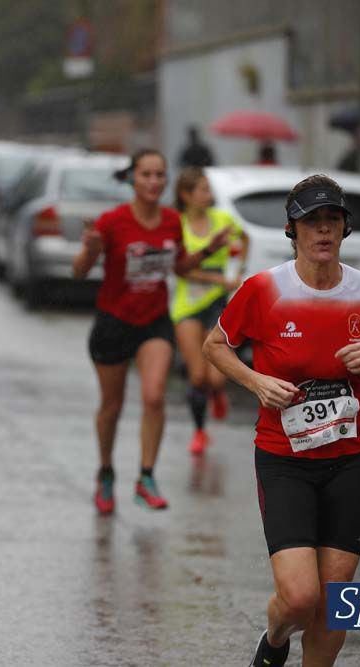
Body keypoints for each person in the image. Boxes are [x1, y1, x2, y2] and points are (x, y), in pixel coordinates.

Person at [202, 174, 360, 666]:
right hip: (284, 459)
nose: (323, 231)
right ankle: (275, 636)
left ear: (344, 229)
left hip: (351, 459)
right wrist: (256, 381)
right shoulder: (265, 289)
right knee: (300, 599)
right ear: (292, 230)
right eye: (311, 222)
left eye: (332, 220)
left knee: (334, 606)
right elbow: (216, 347)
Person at [72, 149, 232, 515]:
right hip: (114, 322)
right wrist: (90, 250)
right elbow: (80, 272)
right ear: (133, 179)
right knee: (111, 407)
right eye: (146, 175)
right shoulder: (113, 222)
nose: (154, 182)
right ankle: (106, 472)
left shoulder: (171, 222)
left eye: (160, 175)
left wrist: (207, 249)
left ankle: (146, 477)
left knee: (154, 396)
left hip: (153, 322)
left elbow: (178, 267)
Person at [170, 168, 249, 455]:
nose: (208, 195)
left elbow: (244, 239)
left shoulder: (222, 220)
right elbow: (181, 270)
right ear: (186, 195)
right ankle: (200, 431)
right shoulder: (176, 225)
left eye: (208, 189)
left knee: (216, 377)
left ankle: (218, 393)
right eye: (202, 189)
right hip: (188, 304)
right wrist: (219, 278)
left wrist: (236, 269)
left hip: (218, 303)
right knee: (197, 376)